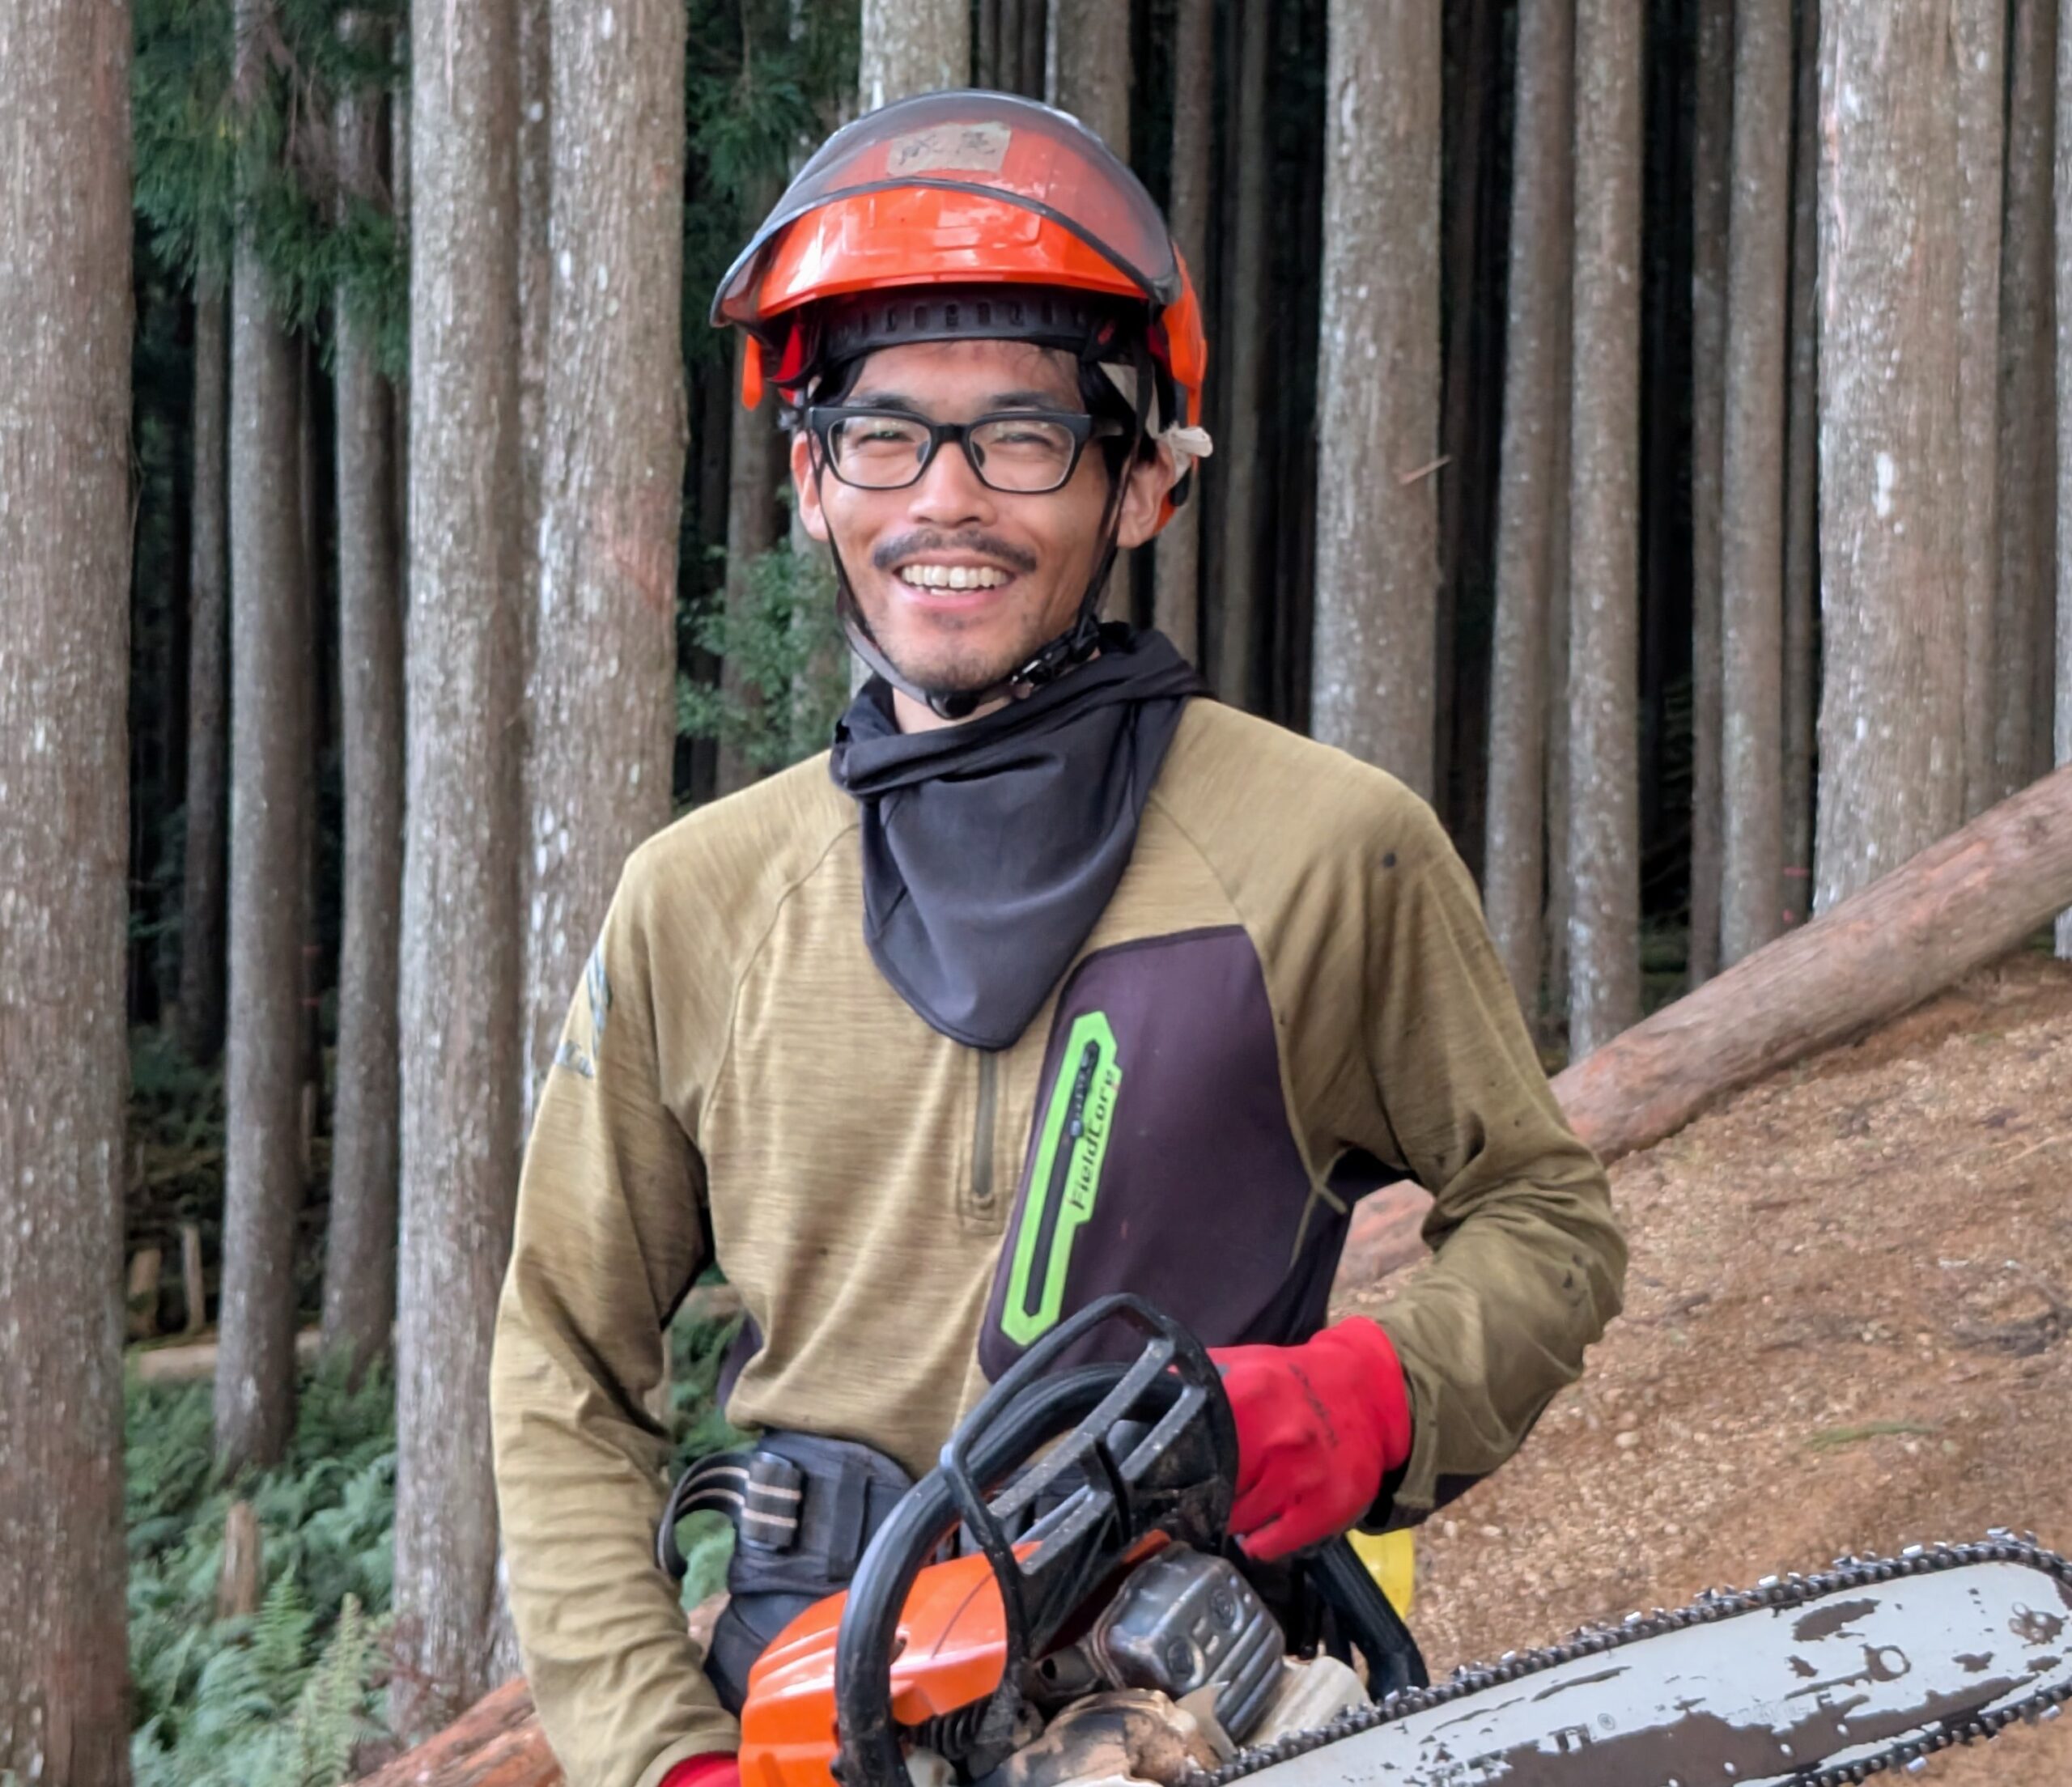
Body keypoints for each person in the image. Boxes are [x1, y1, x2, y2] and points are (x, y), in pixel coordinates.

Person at [490, 90, 1624, 1787]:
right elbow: (562, 1367)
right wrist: (670, 1756)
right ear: (810, 480)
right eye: (883, 434)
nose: (945, 500)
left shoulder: (1323, 847)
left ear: (1141, 487)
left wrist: (1358, 1400)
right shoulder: (697, 896)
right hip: (806, 1683)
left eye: (1022, 435)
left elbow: (1544, 1224)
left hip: (1191, 1690)